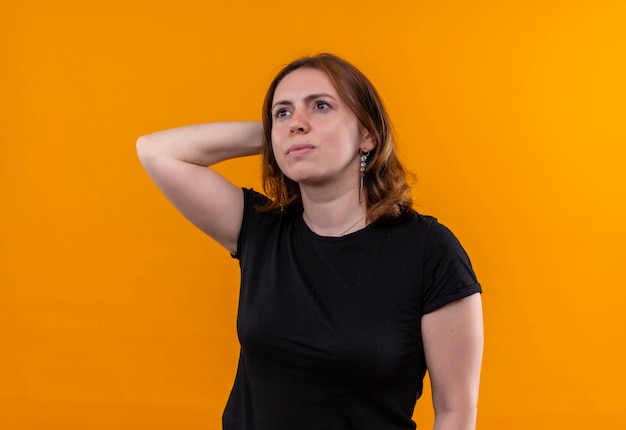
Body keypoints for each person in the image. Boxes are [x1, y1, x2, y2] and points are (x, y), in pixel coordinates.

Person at [136, 53, 483, 430]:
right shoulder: (260, 229)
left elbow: (455, 411)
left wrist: (299, 129)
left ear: (368, 134)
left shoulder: (430, 251)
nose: (297, 124)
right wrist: (281, 133)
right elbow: (157, 152)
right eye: (282, 112)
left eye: (321, 106)